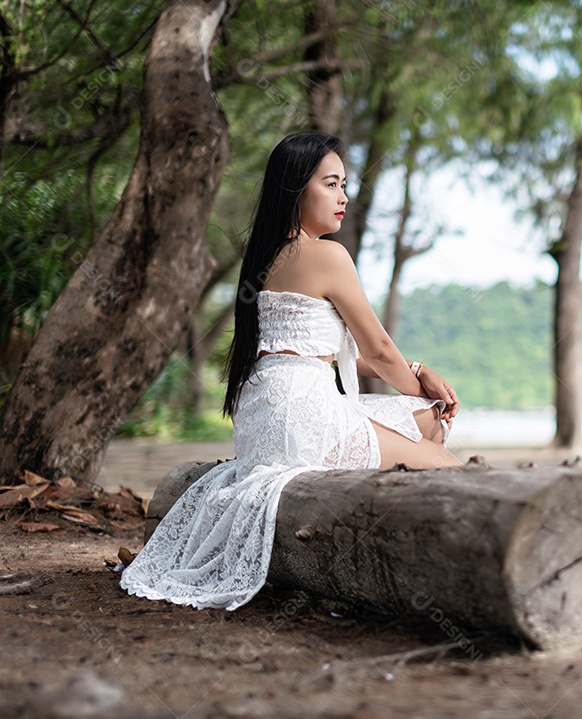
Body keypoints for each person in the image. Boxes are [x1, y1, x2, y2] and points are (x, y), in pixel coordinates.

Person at [121, 132, 461, 610]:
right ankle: (407, 566)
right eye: (330, 184)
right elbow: (380, 351)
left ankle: (389, 533)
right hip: (304, 415)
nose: (343, 197)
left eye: (345, 184)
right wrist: (417, 376)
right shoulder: (327, 255)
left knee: (427, 419)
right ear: (296, 189)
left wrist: (419, 372)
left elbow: (314, 352)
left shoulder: (264, 255)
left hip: (266, 416)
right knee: (450, 468)